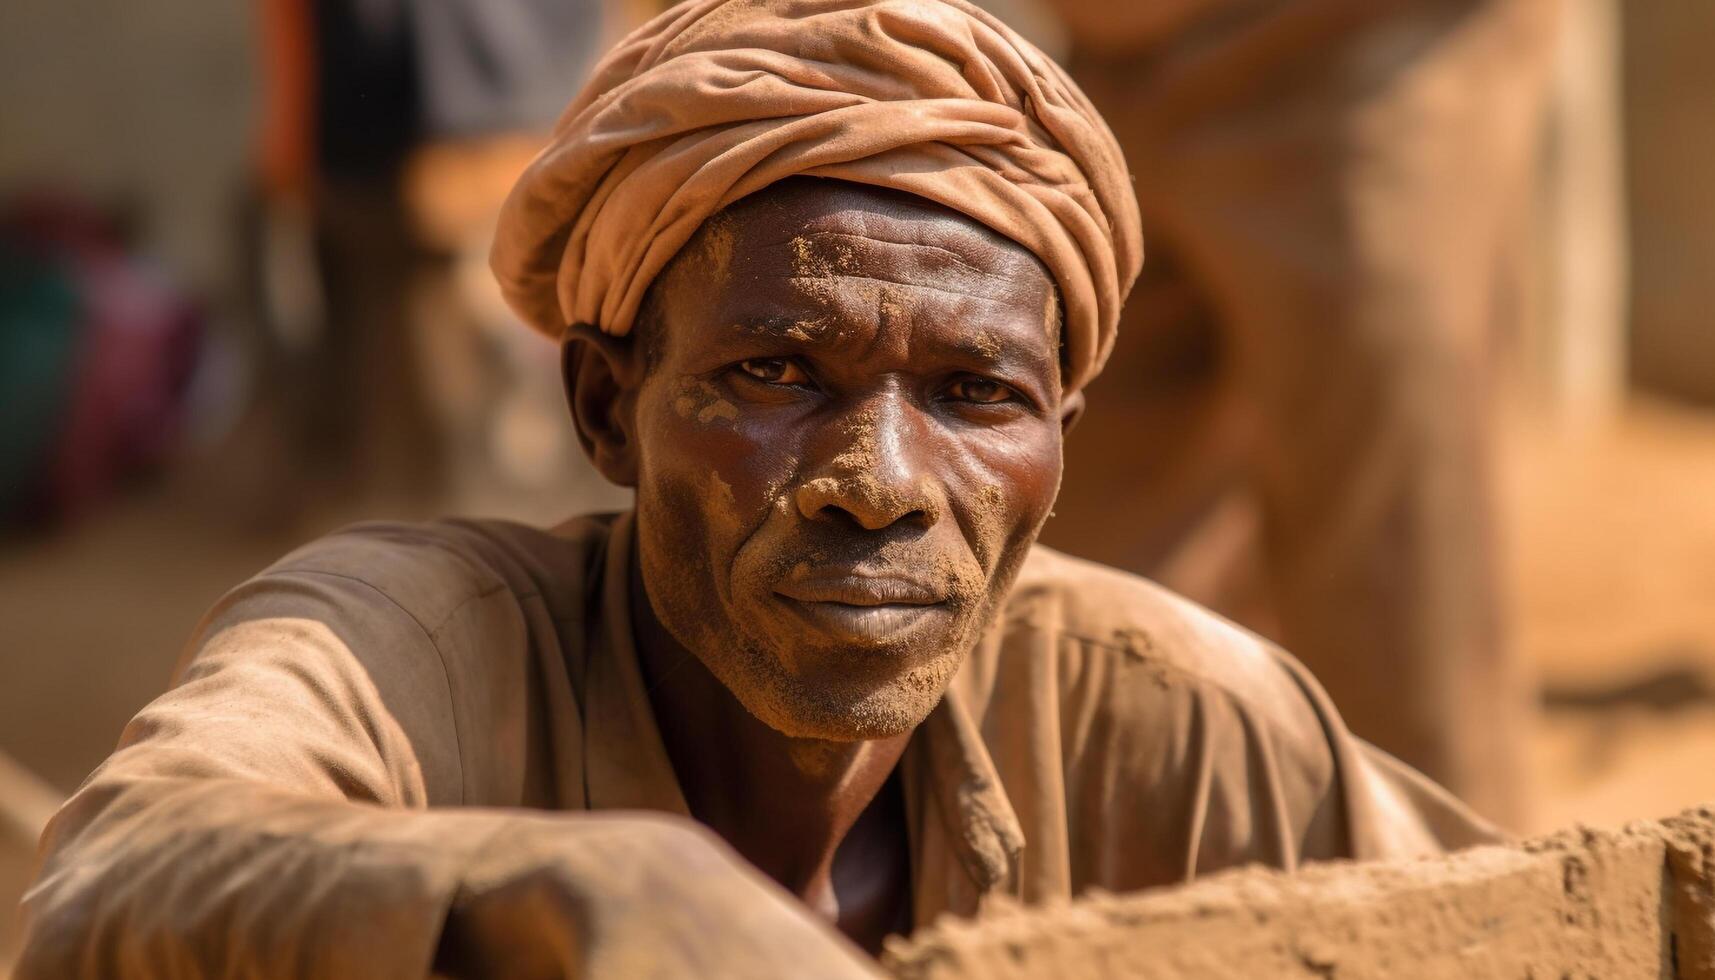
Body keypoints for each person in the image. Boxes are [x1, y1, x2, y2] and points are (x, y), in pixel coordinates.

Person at [17, 1, 1498, 975]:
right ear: (606, 407)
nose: (879, 484)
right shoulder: (410, 650)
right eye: (774, 376)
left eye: (976, 396)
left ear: (1059, 445)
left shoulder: (1162, 718)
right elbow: (115, 878)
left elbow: (1515, 927)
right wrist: (569, 896)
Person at [1032, 0, 1560, 824]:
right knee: (1076, 552)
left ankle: (1454, 916)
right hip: (1104, 60)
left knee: (1390, 580)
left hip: (1361, 36)